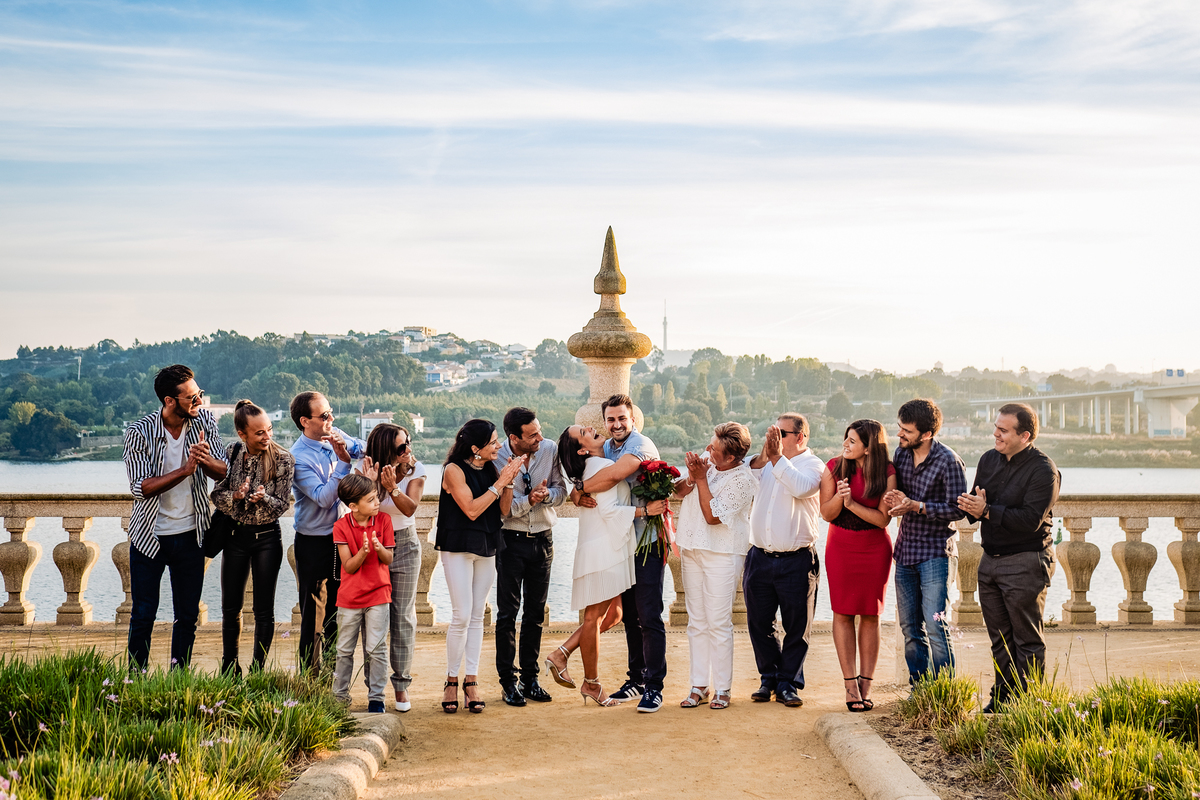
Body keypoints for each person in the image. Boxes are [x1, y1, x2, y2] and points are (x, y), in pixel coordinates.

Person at [544, 426, 667, 706]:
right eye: (583, 432)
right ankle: (592, 684)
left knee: (614, 615)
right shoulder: (601, 464)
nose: (592, 428)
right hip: (604, 551)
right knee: (594, 618)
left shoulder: (598, 461)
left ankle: (562, 652)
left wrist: (578, 489)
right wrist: (646, 511)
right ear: (582, 449)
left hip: (607, 549)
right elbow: (611, 511)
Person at [122, 364, 228, 670]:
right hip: (149, 537)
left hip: (191, 534)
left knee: (187, 617)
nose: (199, 402)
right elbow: (141, 487)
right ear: (170, 401)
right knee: (143, 614)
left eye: (200, 395)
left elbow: (223, 470)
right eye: (193, 397)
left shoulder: (204, 420)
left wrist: (205, 460)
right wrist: (185, 469)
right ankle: (134, 679)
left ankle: (178, 677)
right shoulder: (139, 432)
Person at [958, 403, 1060, 712]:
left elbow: (1030, 519)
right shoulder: (989, 459)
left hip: (1027, 560)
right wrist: (975, 506)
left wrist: (987, 510)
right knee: (1000, 639)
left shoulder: (1044, 470)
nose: (995, 434)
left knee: (1027, 639)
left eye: (1003, 430)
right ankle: (1001, 700)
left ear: (1024, 435)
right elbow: (978, 505)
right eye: (996, 427)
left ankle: (1028, 707)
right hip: (990, 560)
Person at [574, 394, 666, 713]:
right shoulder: (608, 447)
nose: (616, 425)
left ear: (633, 420)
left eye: (622, 419)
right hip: (622, 543)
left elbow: (613, 476)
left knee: (649, 615)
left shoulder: (639, 445)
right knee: (630, 617)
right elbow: (582, 485)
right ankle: (637, 679)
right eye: (610, 420)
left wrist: (584, 488)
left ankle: (654, 687)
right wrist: (578, 492)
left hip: (647, 541)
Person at [435, 419, 525, 714]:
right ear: (475, 448)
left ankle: (471, 680)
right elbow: (472, 509)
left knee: (477, 616)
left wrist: (509, 480)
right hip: (459, 545)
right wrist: (501, 482)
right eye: (493, 443)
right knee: (461, 615)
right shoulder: (453, 470)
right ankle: (451, 679)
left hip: (487, 544)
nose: (499, 446)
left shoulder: (491, 467)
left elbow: (502, 509)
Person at [883, 399, 967, 688]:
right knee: (910, 628)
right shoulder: (902, 455)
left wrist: (916, 506)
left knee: (936, 626)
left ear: (927, 433)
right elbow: (900, 496)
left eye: (906, 430)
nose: (900, 435)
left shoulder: (949, 461)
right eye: (899, 428)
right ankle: (920, 692)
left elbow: (959, 510)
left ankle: (943, 692)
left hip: (936, 554)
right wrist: (895, 501)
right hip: (905, 552)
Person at [743, 412, 825, 708]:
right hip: (760, 557)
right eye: (773, 431)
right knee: (758, 622)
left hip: (797, 560)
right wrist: (767, 456)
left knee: (797, 625)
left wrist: (777, 459)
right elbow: (744, 474)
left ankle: (788, 682)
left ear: (800, 437)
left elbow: (802, 488)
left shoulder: (814, 466)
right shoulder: (767, 460)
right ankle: (769, 678)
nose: (774, 436)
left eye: (782, 433)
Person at [673, 422, 755, 710]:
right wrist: (695, 477)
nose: (709, 450)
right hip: (692, 548)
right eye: (710, 444)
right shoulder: (707, 464)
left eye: (715, 449)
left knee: (719, 622)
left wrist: (703, 479)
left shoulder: (744, 480)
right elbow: (680, 492)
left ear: (732, 457)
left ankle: (723, 688)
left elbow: (713, 517)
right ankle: (698, 685)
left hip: (723, 553)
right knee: (696, 621)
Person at [210, 399, 294, 675]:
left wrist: (263, 498)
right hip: (235, 536)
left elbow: (282, 504)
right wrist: (236, 495)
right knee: (230, 607)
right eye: (260, 432)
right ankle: (229, 666)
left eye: (269, 430)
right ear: (242, 434)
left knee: (263, 609)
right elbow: (216, 494)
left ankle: (258, 670)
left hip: (268, 538)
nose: (267, 437)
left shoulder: (283, 459)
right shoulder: (231, 452)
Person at [819, 419, 896, 712]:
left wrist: (853, 505)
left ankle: (866, 684)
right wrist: (841, 498)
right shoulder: (833, 467)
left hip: (874, 548)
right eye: (846, 439)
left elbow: (883, 519)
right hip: (840, 546)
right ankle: (850, 684)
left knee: (871, 615)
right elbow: (826, 514)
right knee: (842, 613)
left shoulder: (887, 472)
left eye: (852, 441)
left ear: (869, 447)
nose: (846, 445)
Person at [494, 408, 568, 707]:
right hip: (510, 541)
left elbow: (563, 491)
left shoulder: (549, 449)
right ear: (514, 438)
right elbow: (503, 509)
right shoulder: (497, 457)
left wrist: (547, 495)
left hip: (543, 540)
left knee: (535, 615)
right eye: (532, 435)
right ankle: (508, 683)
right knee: (507, 615)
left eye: (539, 431)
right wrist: (530, 500)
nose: (540, 437)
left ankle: (530, 678)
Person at [289, 391, 366, 673]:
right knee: (313, 613)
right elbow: (323, 497)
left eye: (331, 412)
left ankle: (336, 678)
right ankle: (310, 678)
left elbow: (366, 447)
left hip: (343, 537)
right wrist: (344, 461)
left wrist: (352, 447)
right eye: (324, 416)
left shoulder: (334, 434)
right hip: (313, 541)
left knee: (340, 610)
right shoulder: (298, 458)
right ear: (304, 421)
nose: (331, 419)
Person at [361, 423, 425, 712]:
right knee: (373, 617)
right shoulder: (364, 470)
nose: (408, 450)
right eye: (401, 447)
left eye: (408, 443)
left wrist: (392, 487)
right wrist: (371, 483)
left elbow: (410, 508)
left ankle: (401, 686)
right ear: (386, 448)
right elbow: (361, 510)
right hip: (373, 544)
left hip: (405, 544)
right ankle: (375, 689)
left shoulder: (416, 469)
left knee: (402, 619)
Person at [331, 474, 395, 713]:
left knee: (376, 649)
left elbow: (389, 559)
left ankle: (377, 698)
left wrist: (378, 549)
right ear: (353, 506)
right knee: (344, 649)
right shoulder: (341, 526)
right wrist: (364, 552)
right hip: (349, 598)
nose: (377, 502)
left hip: (379, 594)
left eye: (376, 497)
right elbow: (348, 566)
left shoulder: (384, 521)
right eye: (371, 499)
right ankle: (339, 697)